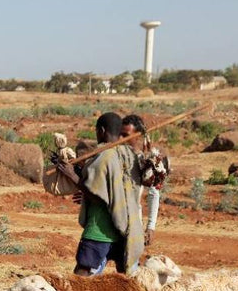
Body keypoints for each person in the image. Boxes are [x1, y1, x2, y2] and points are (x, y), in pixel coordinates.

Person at [55, 112, 144, 276]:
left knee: (81, 276)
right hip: (125, 230)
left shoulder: (105, 156)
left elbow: (100, 197)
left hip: (100, 230)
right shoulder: (129, 155)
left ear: (101, 131)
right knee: (124, 281)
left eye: (97, 132)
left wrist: (72, 176)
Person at [121, 114, 165, 247]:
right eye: (120, 134)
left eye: (126, 135)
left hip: (133, 221)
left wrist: (151, 226)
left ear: (138, 136)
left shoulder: (144, 161)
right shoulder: (114, 155)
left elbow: (154, 191)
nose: (122, 139)